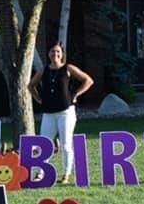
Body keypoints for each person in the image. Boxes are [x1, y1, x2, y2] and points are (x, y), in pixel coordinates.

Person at [28, 41, 94, 184]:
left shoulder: (68, 68)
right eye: (52, 51)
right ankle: (40, 173)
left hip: (66, 112)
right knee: (44, 144)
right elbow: (31, 85)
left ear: (62, 54)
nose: (55, 54)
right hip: (49, 113)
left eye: (58, 52)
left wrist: (76, 94)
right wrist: (39, 99)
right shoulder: (43, 70)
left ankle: (66, 174)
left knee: (65, 143)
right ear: (48, 54)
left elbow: (88, 80)